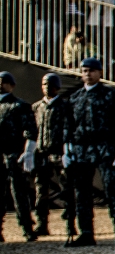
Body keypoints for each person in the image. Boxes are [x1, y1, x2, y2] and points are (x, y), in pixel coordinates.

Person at [63, 57, 115, 246]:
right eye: (84, 71)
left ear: (100, 73)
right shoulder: (75, 98)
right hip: (81, 149)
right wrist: (66, 149)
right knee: (82, 192)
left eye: (91, 71)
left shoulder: (110, 95)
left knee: (112, 188)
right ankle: (86, 231)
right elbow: (68, 126)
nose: (88, 74)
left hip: (105, 147)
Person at [0, 72, 38, 243]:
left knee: (19, 194)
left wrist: (28, 151)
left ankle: (27, 229)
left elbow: (31, 130)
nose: (0, 85)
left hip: (14, 154)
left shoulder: (20, 105)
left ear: (11, 85)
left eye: (3, 82)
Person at [32, 72, 70, 237]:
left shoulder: (64, 106)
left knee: (66, 189)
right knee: (41, 191)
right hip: (42, 153)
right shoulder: (36, 107)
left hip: (59, 153)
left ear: (57, 87)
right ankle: (41, 223)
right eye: (44, 84)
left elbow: (68, 129)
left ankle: (70, 224)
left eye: (50, 84)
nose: (46, 87)